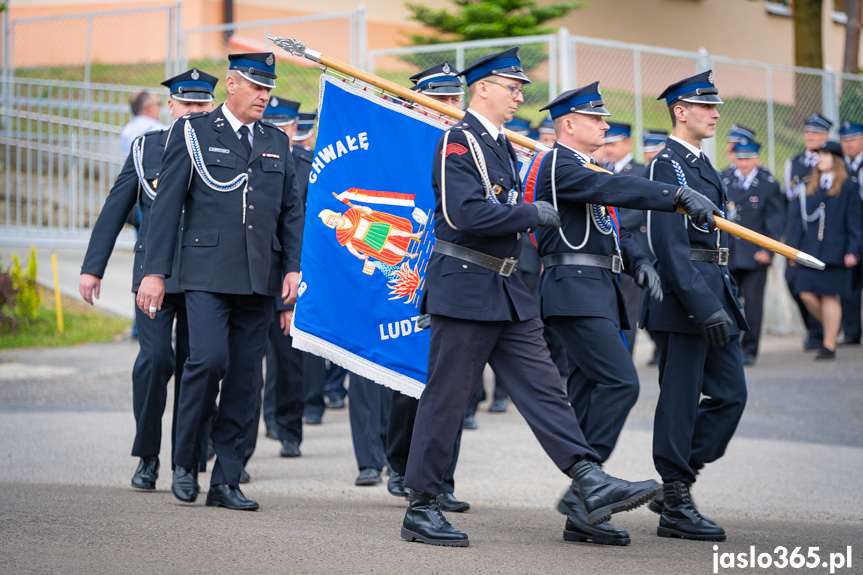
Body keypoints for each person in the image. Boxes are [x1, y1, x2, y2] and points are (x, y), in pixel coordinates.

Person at [400, 47, 661, 548]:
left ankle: (589, 479)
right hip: (465, 284)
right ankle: (422, 505)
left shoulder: (497, 144)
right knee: (448, 398)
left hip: (504, 287)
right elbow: (463, 215)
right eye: (510, 86)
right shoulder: (460, 139)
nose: (520, 94)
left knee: (545, 390)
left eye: (520, 86)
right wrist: (530, 214)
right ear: (482, 89)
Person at [532, 83, 718, 546]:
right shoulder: (560, 163)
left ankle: (583, 511)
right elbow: (614, 188)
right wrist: (675, 194)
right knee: (620, 382)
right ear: (569, 125)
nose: (605, 125)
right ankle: (588, 492)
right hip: (572, 291)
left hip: (595, 291)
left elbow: (609, 225)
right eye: (595, 119)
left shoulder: (584, 167)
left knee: (590, 390)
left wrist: (638, 263)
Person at [136, 52, 305, 511]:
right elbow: (167, 206)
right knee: (206, 361)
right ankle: (187, 461)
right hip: (206, 273)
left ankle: (227, 479)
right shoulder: (192, 132)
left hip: (259, 276)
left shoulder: (276, 141)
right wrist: (154, 272)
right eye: (256, 86)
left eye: (268, 88)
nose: (264, 96)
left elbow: (291, 210)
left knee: (246, 379)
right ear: (232, 85)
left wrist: (292, 266)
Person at [80, 68, 218, 491]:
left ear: (211, 106)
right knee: (155, 361)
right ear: (170, 107)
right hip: (151, 279)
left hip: (201, 277)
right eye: (187, 104)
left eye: (202, 104)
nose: (194, 110)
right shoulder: (146, 148)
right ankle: (147, 456)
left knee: (201, 365)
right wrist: (92, 267)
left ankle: (187, 461)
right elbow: (116, 206)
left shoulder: (222, 146)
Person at [644, 70, 748, 542]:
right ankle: (677, 496)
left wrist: (718, 299)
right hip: (686, 297)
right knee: (680, 401)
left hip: (714, 287)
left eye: (715, 107)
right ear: (680, 112)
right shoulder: (666, 166)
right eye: (705, 107)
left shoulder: (702, 164)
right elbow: (668, 245)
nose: (714, 114)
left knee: (730, 395)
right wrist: (702, 304)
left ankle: (674, 483)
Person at [385, 62, 471, 513]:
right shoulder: (400, 143)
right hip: (402, 270)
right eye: (441, 99)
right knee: (406, 377)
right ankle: (401, 465)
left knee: (452, 382)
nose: (450, 108)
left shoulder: (467, 145)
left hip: (453, 272)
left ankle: (441, 479)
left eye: (455, 99)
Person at [787, 141, 863, 359]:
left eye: (826, 154)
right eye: (819, 154)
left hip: (837, 253)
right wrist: (793, 250)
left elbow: (855, 222)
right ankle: (833, 325)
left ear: (836, 159)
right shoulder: (809, 186)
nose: (820, 158)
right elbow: (797, 221)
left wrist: (852, 250)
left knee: (830, 297)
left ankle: (828, 345)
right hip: (811, 251)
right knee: (805, 293)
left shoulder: (848, 186)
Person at [720, 138, 785, 365]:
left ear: (757, 158)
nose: (743, 163)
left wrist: (768, 250)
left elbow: (775, 221)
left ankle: (749, 349)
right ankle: (729, 344)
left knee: (753, 304)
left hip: (756, 255)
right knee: (727, 300)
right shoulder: (724, 179)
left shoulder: (768, 184)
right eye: (739, 158)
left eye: (748, 158)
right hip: (730, 252)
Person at [784, 113, 832, 351]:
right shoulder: (793, 163)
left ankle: (829, 331)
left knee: (824, 286)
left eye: (816, 133)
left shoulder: (833, 162)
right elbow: (790, 203)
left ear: (826, 137)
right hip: (797, 233)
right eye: (808, 132)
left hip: (824, 234)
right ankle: (815, 328)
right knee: (793, 282)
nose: (810, 137)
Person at [602, 121, 648, 356]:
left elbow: (636, 213)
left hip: (630, 251)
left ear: (628, 143)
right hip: (605, 254)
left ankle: (624, 359)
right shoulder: (599, 169)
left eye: (615, 143)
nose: (609, 148)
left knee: (629, 311)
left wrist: (605, 224)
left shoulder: (640, 172)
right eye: (606, 143)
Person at [839, 120, 863, 346]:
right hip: (849, 231)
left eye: (854, 139)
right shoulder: (840, 168)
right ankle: (852, 332)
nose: (849, 144)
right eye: (845, 140)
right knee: (850, 285)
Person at [119, 91, 167, 158]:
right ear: (150, 108)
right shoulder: (158, 130)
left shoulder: (126, 130)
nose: (161, 108)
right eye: (159, 103)